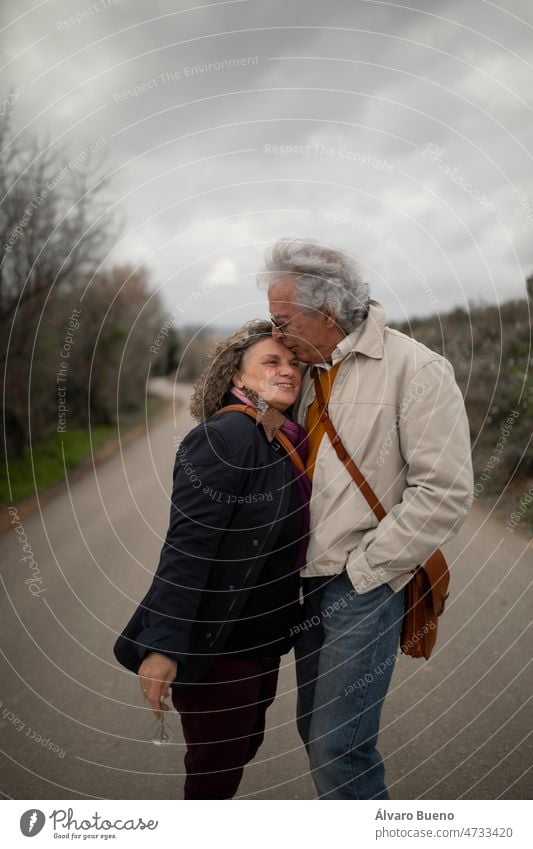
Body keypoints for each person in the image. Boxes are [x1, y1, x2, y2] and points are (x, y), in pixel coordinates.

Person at [261, 238, 474, 800]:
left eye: (281, 320)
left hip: (363, 586)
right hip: (302, 585)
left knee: (340, 746)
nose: (273, 333)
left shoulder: (418, 370)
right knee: (315, 733)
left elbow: (445, 491)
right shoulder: (298, 370)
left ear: (325, 313)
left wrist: (366, 572)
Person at [114, 320, 310, 800]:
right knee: (213, 777)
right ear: (237, 378)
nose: (288, 371)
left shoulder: (281, 438)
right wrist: (162, 645)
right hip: (218, 644)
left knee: (237, 755)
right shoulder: (225, 437)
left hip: (259, 640)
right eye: (271, 361)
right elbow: (188, 546)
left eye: (294, 364)